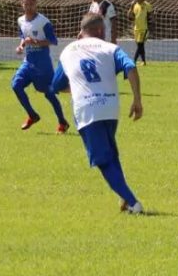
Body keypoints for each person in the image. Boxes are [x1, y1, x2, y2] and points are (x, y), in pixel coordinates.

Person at [51, 12, 145, 213]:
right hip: (111, 109)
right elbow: (131, 67)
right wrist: (137, 99)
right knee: (110, 154)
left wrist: (76, 86)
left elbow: (56, 84)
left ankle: (133, 203)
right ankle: (124, 198)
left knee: (103, 160)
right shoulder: (110, 48)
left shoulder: (68, 51)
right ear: (101, 31)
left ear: (81, 31)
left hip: (87, 110)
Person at [12, 0, 69, 133]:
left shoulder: (43, 22)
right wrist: (21, 46)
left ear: (36, 4)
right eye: (26, 4)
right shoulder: (20, 20)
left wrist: (36, 42)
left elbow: (53, 41)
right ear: (22, 4)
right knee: (15, 85)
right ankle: (32, 115)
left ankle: (62, 122)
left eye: (31, 4)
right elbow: (23, 37)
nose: (29, 7)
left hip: (43, 65)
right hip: (28, 62)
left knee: (49, 93)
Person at [130, 0, 153, 64]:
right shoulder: (135, 5)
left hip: (144, 28)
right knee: (140, 46)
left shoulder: (147, 5)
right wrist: (131, 6)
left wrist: (151, 26)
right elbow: (130, 17)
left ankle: (134, 61)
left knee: (140, 45)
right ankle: (144, 61)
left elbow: (151, 16)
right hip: (136, 28)